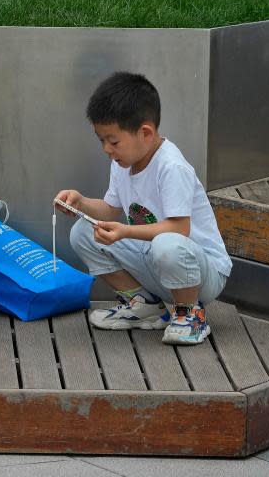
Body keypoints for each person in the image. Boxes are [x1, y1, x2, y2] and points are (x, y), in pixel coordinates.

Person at [56, 72, 231, 345]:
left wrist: (125, 232)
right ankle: (143, 305)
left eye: (113, 141)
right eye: (101, 140)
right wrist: (81, 203)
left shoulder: (171, 166)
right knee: (84, 230)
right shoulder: (121, 163)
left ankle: (189, 313)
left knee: (168, 244)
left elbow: (179, 229)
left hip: (201, 272)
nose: (106, 149)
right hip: (158, 262)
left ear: (145, 133)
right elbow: (110, 210)